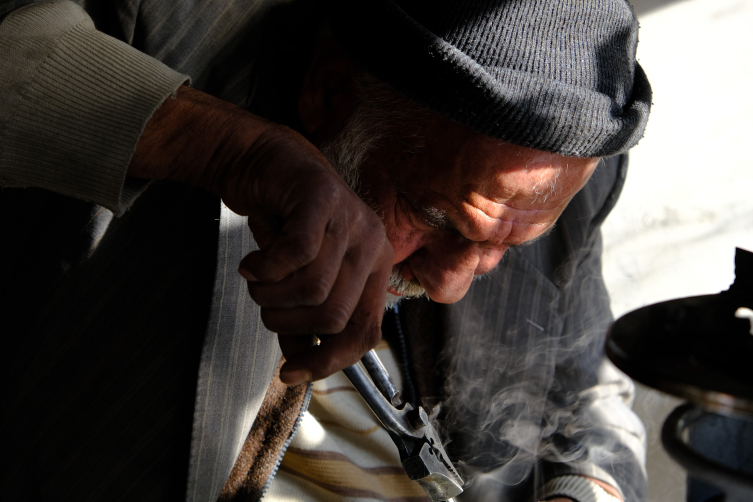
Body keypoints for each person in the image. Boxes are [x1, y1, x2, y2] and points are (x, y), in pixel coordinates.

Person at [0, 1, 651, 501]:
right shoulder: (176, 33)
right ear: (330, 90)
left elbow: (587, 392)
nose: (453, 282)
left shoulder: (563, 186)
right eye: (431, 216)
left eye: (509, 244)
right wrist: (224, 147)